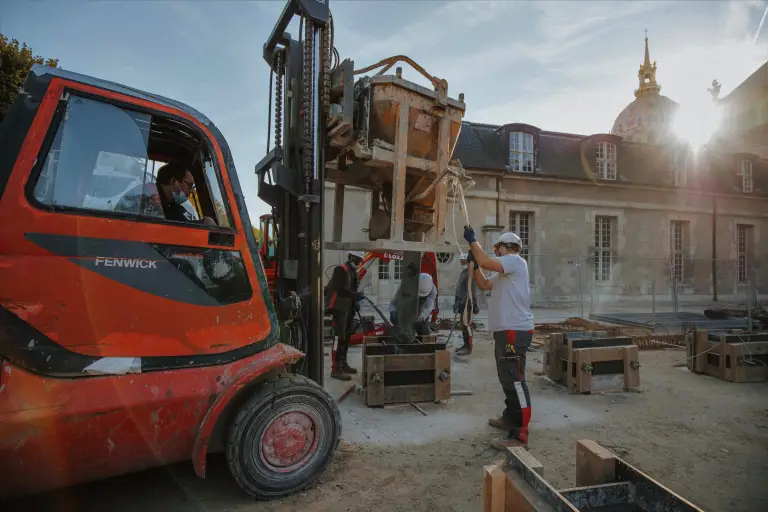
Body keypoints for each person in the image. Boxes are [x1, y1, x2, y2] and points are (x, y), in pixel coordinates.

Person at [464, 227, 534, 450]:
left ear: (505, 248)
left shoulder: (515, 261)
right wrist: (474, 266)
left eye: (498, 249)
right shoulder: (505, 272)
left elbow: (485, 261)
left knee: (515, 381)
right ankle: (509, 418)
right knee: (508, 378)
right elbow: (484, 283)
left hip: (514, 330)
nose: (497, 253)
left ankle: (519, 434)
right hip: (507, 331)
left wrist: (474, 243)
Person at [326, 251, 365, 380]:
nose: (359, 263)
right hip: (339, 309)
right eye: (358, 260)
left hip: (348, 309)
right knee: (338, 337)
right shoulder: (340, 270)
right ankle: (336, 369)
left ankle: (343, 363)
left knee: (347, 336)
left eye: (360, 261)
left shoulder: (353, 272)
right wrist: (354, 295)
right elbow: (338, 288)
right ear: (351, 257)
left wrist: (355, 301)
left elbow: (352, 289)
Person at [453, 253, 480, 356]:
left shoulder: (470, 273)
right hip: (461, 303)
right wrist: (456, 301)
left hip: (467, 304)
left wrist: (472, 303)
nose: (462, 263)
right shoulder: (463, 272)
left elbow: (471, 290)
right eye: (461, 262)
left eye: (464, 262)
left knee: (467, 325)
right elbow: (459, 288)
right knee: (463, 325)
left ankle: (468, 347)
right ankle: (465, 344)